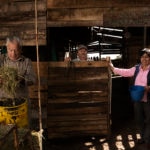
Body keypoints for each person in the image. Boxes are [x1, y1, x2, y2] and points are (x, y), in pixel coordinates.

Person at [108, 48, 150, 149]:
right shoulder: (136, 68)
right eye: (143, 56)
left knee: (149, 119)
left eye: (147, 57)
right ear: (140, 58)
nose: (145, 59)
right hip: (137, 98)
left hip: (148, 98)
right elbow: (125, 72)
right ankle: (143, 136)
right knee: (139, 119)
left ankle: (147, 138)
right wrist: (113, 68)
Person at [0, 36, 36, 128]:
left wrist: (22, 80)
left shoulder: (26, 61)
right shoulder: (2, 60)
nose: (13, 53)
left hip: (21, 103)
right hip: (4, 102)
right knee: (5, 130)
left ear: (20, 49)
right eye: (10, 50)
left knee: (23, 129)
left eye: (15, 50)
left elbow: (32, 79)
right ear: (7, 48)